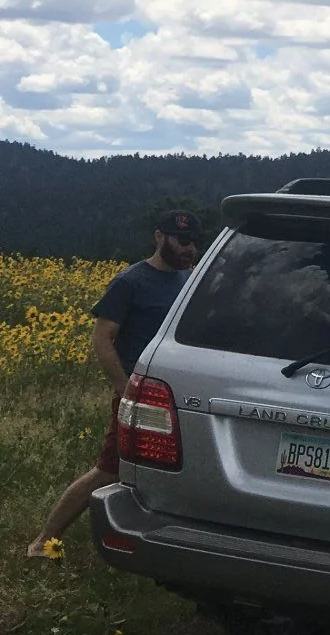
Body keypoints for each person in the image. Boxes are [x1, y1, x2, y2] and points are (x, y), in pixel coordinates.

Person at [26, 209, 203, 558]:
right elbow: (102, 338)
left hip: (175, 395)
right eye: (182, 241)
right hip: (140, 395)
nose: (189, 249)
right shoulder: (130, 282)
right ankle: (42, 544)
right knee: (109, 470)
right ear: (159, 237)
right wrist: (125, 390)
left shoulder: (188, 281)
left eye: (195, 242)